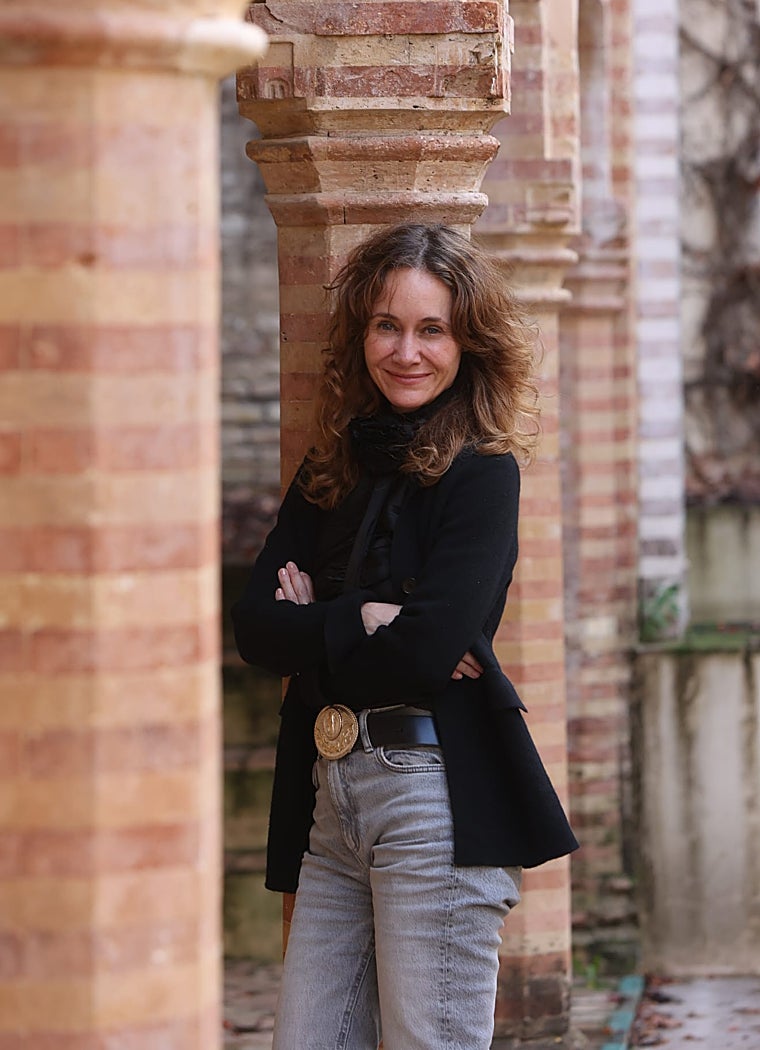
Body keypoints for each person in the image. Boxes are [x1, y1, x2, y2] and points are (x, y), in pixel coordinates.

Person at [231, 223, 578, 1050]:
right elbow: (255, 629)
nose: (407, 352)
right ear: (362, 336)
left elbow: (424, 652)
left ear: (468, 345)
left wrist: (318, 621)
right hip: (331, 800)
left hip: (434, 798)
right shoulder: (332, 468)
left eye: (432, 330)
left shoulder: (482, 474)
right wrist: (362, 616)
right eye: (388, 326)